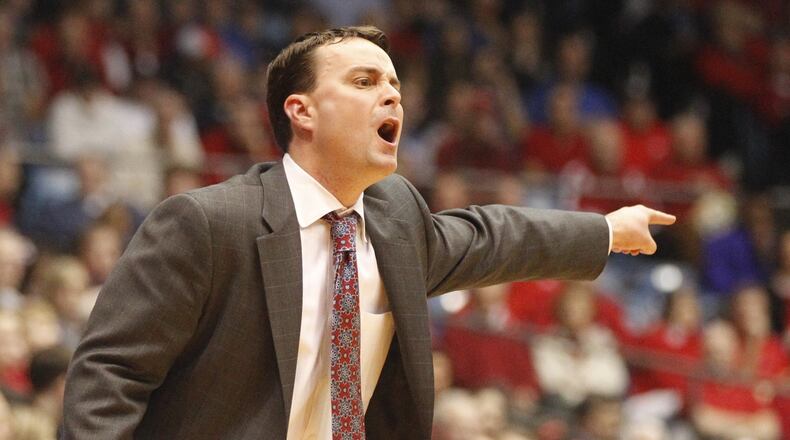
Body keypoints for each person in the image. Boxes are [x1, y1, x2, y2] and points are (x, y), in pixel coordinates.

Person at [62, 26, 675, 439]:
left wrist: (605, 229)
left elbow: (489, 236)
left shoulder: (394, 217)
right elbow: (109, 374)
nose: (391, 97)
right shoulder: (207, 222)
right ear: (300, 111)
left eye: (394, 87)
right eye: (363, 82)